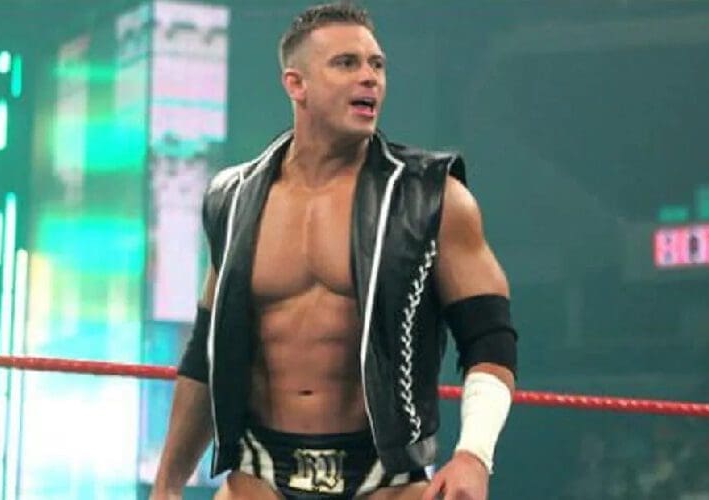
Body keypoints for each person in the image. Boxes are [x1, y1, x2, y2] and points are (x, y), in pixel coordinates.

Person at [151, 3, 518, 499]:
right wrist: (168, 484)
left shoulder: (433, 197)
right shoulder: (232, 199)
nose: (369, 77)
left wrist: (474, 454)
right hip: (259, 479)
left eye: (377, 64)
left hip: (385, 483)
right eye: (346, 63)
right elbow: (205, 353)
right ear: (296, 84)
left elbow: (490, 339)